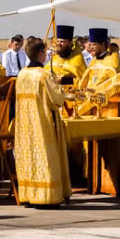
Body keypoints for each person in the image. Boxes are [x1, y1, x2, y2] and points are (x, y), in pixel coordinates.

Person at [14, 38, 70, 206]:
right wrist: (59, 84)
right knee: (45, 157)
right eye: (45, 52)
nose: (46, 55)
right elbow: (57, 100)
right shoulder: (44, 75)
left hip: (25, 126)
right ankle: (47, 196)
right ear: (40, 54)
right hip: (43, 123)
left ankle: (29, 194)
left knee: (29, 157)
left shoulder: (22, 74)